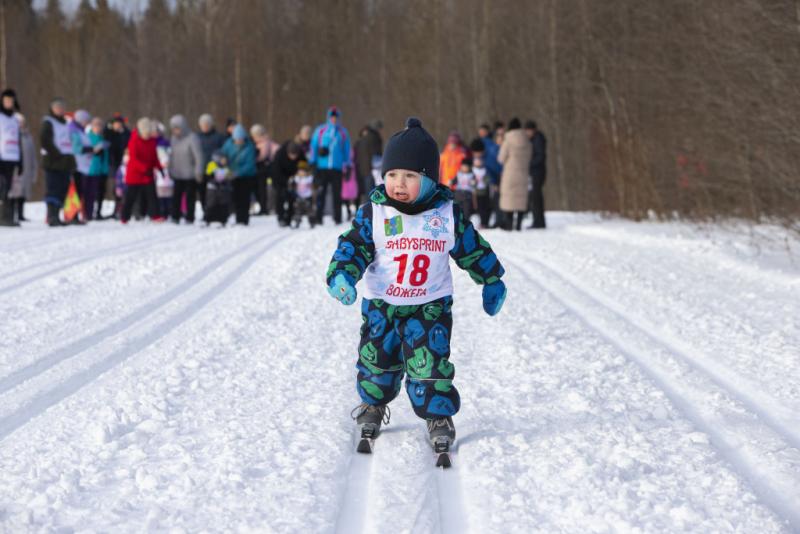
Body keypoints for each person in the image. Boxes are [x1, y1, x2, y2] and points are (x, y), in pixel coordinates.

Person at [325, 117, 507, 459]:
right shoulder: (374, 214)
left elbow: (472, 248)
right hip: (383, 306)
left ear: (428, 179)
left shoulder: (447, 215)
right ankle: (373, 406)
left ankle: (438, 414)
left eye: (410, 176)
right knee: (376, 360)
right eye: (393, 175)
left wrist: (491, 278)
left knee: (431, 365)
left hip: (430, 307)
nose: (399, 183)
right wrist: (342, 275)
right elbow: (352, 248)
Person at [309, 106, 351, 225]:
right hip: (322, 168)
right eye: (332, 117)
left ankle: (337, 218)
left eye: (336, 117)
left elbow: (347, 150)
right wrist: (313, 161)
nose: (334, 119)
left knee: (337, 194)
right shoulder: (321, 130)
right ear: (328, 118)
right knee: (321, 193)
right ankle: (318, 217)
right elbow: (313, 146)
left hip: (336, 168)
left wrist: (347, 165)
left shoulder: (343, 132)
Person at [121, 117, 165, 224]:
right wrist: (144, 169)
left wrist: (159, 167)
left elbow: (154, 157)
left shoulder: (151, 141)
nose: (147, 135)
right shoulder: (134, 141)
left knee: (152, 195)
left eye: (149, 133)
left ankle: (155, 215)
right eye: (145, 133)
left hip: (148, 174)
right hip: (135, 174)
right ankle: (124, 217)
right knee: (131, 197)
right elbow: (134, 159)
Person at [41, 97, 77, 226]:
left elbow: (69, 143)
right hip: (53, 161)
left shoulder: (66, 123)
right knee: (53, 189)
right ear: (52, 109)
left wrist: (71, 161)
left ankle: (56, 215)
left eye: (62, 107)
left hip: (65, 162)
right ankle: (51, 217)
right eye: (57, 107)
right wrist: (56, 154)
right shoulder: (48, 122)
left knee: (63, 189)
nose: (60, 109)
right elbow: (45, 140)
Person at [168, 114, 204, 224]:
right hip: (177, 173)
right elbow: (171, 156)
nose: (175, 131)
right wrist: (170, 169)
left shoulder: (192, 138)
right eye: (173, 129)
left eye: (177, 128)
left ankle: (190, 217)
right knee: (176, 197)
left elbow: (199, 156)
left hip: (190, 174)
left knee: (190, 197)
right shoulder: (173, 139)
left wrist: (199, 171)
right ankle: (175, 216)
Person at [498, 118, 531, 231]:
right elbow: (530, 157)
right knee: (520, 201)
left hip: (510, 174)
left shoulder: (508, 141)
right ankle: (518, 226)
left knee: (509, 200)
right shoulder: (527, 141)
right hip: (523, 173)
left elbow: (501, 159)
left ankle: (509, 225)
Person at [221, 124, 257, 225]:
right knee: (234, 198)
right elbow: (222, 153)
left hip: (246, 177)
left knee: (244, 198)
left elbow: (250, 164)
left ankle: (243, 219)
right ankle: (235, 217)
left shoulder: (249, 147)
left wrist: (237, 173)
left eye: (240, 139)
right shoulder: (228, 144)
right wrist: (222, 159)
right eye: (237, 139)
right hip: (232, 175)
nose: (238, 141)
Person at [8, 113, 37, 222]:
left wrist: (34, 170)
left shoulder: (28, 136)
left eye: (22, 122)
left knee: (23, 193)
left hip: (26, 168)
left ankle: (20, 214)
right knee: (12, 193)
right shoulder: (11, 135)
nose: (21, 124)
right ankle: (10, 214)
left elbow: (33, 155)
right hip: (14, 168)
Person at [0, 89, 21, 227]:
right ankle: (2, 216)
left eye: (11, 101)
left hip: (13, 157)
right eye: (6, 101)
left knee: (9, 189)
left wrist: (21, 161)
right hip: (2, 156)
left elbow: (18, 139)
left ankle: (8, 217)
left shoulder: (15, 118)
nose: (9, 103)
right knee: (1, 187)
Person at [270, 141, 304, 227]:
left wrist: (299, 174)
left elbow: (304, 167)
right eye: (291, 155)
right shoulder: (279, 155)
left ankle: (289, 218)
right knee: (280, 197)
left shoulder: (301, 155)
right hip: (280, 179)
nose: (293, 157)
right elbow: (276, 172)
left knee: (292, 198)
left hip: (294, 178)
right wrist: (286, 181)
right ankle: (280, 217)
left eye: (295, 155)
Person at [69, 110, 93, 223]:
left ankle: (76, 215)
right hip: (75, 165)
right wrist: (91, 149)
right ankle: (72, 215)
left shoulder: (81, 131)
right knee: (75, 191)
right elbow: (76, 148)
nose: (87, 124)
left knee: (80, 191)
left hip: (83, 166)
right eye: (85, 121)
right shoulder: (73, 131)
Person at [83, 117, 110, 221]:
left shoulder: (103, 138)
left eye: (100, 125)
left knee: (100, 192)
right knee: (89, 193)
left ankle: (98, 212)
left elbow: (105, 155)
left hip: (101, 169)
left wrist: (105, 168)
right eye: (96, 125)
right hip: (90, 169)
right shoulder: (87, 137)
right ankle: (87, 212)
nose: (98, 128)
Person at [104, 114, 130, 219]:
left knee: (125, 188)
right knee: (116, 188)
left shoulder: (125, 133)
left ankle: (123, 209)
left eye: (120, 124)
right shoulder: (109, 133)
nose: (118, 126)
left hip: (124, 163)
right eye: (116, 124)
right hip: (113, 164)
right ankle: (117, 209)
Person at [197, 113, 226, 208]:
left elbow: (223, 151)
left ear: (211, 125)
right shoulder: (197, 137)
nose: (205, 126)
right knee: (202, 191)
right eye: (203, 124)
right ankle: (205, 210)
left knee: (216, 191)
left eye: (207, 124)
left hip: (215, 169)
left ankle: (215, 211)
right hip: (202, 168)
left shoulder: (219, 137)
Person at [251, 124, 280, 216]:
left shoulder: (264, 142)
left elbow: (262, 156)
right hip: (264, 168)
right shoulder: (260, 142)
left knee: (265, 189)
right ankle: (266, 207)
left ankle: (267, 208)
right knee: (262, 189)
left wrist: (253, 158)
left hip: (267, 168)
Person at [525, 120, 547, 229]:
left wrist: (529, 164)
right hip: (535, 172)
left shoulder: (538, 139)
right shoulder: (534, 139)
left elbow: (540, 156)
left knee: (536, 197)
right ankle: (538, 220)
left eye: (528, 131)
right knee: (535, 197)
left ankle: (538, 222)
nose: (527, 133)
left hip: (537, 172)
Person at [354, 120, 383, 203]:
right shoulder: (374, 137)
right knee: (374, 193)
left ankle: (367, 211)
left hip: (363, 169)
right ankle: (374, 212)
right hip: (373, 169)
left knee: (368, 193)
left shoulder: (363, 139)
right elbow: (377, 155)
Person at [289, 160, 315, 229]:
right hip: (299, 196)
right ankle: (297, 221)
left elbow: (313, 185)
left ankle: (312, 222)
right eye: (299, 171)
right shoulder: (296, 178)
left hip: (307, 197)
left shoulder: (309, 178)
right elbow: (292, 185)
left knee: (309, 210)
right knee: (298, 210)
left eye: (303, 171)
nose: (301, 173)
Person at [472, 156, 491, 229]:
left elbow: (488, 179)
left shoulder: (484, 170)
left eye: (479, 161)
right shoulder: (472, 170)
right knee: (477, 208)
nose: (478, 162)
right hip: (475, 193)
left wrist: (485, 180)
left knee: (484, 208)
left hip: (484, 192)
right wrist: (473, 182)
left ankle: (484, 223)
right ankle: (478, 223)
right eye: (476, 161)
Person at [341, 148, 359, 220]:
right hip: (347, 181)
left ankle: (352, 211)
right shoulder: (351, 160)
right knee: (347, 196)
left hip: (351, 180)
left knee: (351, 195)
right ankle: (349, 211)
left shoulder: (349, 155)